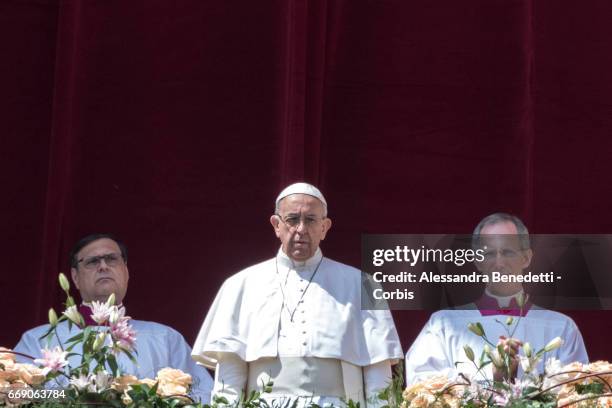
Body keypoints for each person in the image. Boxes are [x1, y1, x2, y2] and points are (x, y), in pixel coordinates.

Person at [192, 182, 402, 407]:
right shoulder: (240, 285)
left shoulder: (363, 284)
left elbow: (378, 371)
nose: (301, 229)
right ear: (276, 225)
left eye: (311, 220)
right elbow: (230, 372)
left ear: (324, 227)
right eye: (292, 219)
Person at [14, 234, 213, 403]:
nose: (103, 266)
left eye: (111, 259)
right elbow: (15, 394)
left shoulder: (165, 338)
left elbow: (204, 395)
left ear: (125, 272)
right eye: (92, 262)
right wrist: (74, 398)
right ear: (74, 277)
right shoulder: (38, 341)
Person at [405, 213, 588, 384]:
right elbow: (421, 384)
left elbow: (576, 391)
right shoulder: (442, 325)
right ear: (477, 261)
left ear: (526, 258)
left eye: (508, 252)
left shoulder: (561, 328)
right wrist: (489, 375)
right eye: (489, 254)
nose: (499, 263)